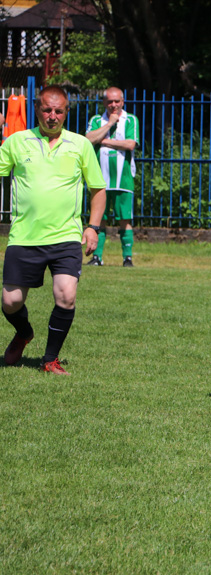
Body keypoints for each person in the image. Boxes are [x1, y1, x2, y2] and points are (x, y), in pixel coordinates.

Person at [1, 85, 107, 374]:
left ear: (66, 113)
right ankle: (24, 333)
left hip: (65, 237)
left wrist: (93, 227)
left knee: (66, 295)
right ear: (37, 110)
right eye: (47, 109)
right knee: (10, 302)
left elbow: (98, 189)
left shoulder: (80, 145)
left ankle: (50, 359)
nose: (52, 116)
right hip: (24, 236)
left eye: (58, 111)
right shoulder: (15, 142)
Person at [84, 87, 140, 267]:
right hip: (99, 180)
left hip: (123, 179)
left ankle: (127, 258)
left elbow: (130, 144)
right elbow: (88, 140)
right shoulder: (96, 120)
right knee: (100, 219)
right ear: (104, 102)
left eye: (117, 101)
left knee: (125, 219)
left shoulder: (130, 119)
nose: (113, 105)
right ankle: (97, 258)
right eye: (110, 101)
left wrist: (104, 140)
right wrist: (108, 125)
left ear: (122, 102)